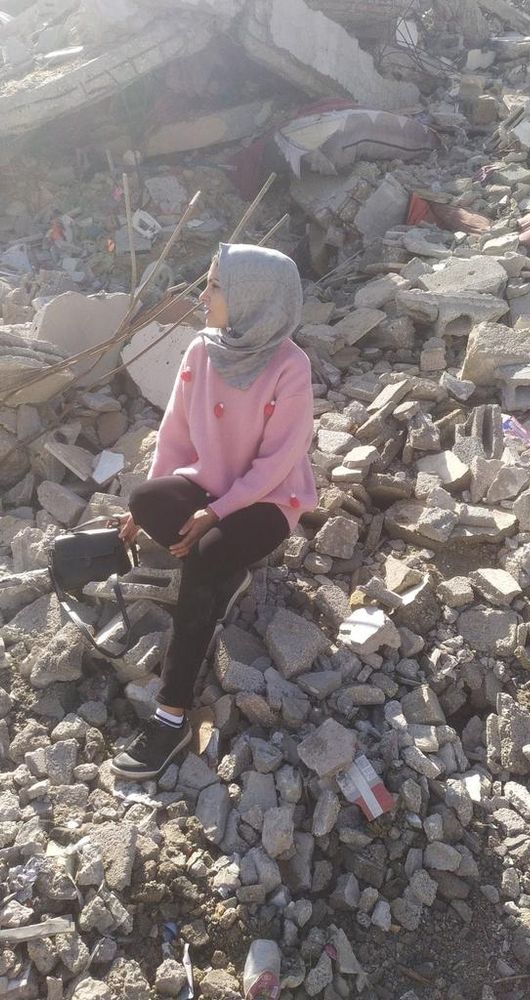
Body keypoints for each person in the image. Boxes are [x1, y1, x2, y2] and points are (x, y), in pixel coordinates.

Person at [111, 243, 318, 780]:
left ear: (253, 297)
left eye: (216, 286)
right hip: (208, 489)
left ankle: (171, 713)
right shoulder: (202, 350)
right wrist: (150, 504)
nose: (203, 296)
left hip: (267, 500)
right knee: (145, 500)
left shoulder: (289, 366)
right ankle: (222, 569)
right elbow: (175, 432)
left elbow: (278, 462)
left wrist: (220, 511)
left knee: (204, 559)